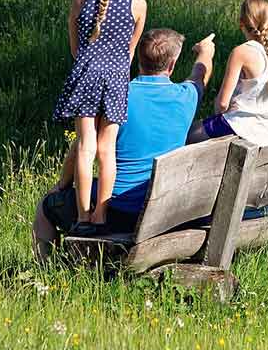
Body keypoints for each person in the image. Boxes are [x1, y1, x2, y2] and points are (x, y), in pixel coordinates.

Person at [33, 28, 215, 260]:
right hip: (165, 209)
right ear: (171, 65)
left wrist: (62, 185)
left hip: (117, 210)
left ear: (138, 59)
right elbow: (200, 76)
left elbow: (83, 146)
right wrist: (205, 52)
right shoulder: (186, 97)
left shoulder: (117, 97)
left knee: (47, 207)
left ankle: (47, 268)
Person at [51, 0, 147, 236]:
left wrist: (90, 65)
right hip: (117, 78)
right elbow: (131, 51)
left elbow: (75, 47)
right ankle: (101, 215)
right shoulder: (137, 5)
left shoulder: (80, 3)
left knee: (85, 146)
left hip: (86, 75)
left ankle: (81, 215)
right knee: (107, 150)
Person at [188, 0, 268, 147]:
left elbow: (222, 105)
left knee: (187, 134)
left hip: (242, 126)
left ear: (241, 23)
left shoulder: (241, 52)